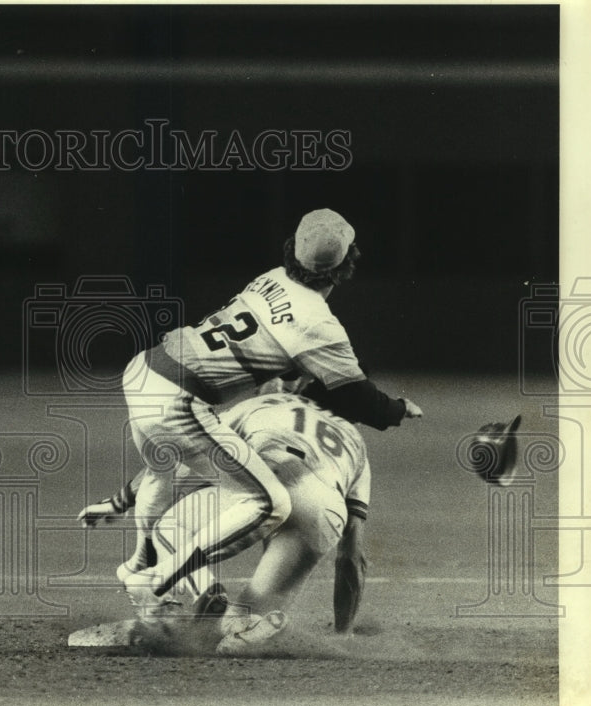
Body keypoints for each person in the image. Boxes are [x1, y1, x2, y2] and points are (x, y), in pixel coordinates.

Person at [80, 209, 422, 609]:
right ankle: (158, 579)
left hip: (144, 369)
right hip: (177, 396)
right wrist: (397, 410)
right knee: (270, 503)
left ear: (292, 249)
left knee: (168, 467)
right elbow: (357, 397)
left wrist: (119, 500)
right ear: (345, 266)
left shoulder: (269, 279)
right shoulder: (319, 325)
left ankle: (141, 562)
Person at [90, 383, 376, 656]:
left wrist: (123, 499)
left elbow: (176, 459)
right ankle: (245, 626)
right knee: (243, 623)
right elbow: (352, 558)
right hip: (323, 507)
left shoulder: (264, 402)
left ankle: (204, 592)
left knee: (171, 527)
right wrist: (343, 633)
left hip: (267, 473)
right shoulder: (357, 444)